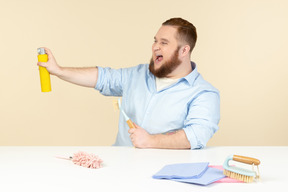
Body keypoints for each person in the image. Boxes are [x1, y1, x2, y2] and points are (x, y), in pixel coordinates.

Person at [37, 17, 220, 150]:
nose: (155, 46)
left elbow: (197, 134)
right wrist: (58, 70)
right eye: (155, 40)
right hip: (120, 169)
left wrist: (151, 141)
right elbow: (103, 77)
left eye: (164, 43)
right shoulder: (137, 75)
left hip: (164, 175)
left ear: (184, 51)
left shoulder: (204, 93)